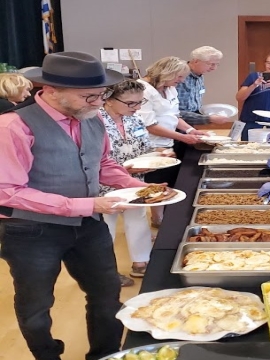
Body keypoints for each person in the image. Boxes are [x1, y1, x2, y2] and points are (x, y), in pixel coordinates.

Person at [0, 51, 145, 360]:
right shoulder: (13, 127)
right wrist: (82, 204)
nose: (98, 103)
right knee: (36, 305)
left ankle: (104, 354)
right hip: (30, 231)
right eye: (88, 97)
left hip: (89, 225)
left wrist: (143, 189)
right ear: (51, 91)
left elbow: (103, 164)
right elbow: (7, 192)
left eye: (101, 95)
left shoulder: (92, 120)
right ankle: (47, 354)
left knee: (106, 295)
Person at [137, 56, 206, 227]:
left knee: (169, 179)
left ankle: (164, 216)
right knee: (156, 180)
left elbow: (174, 116)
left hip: (169, 141)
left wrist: (190, 130)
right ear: (167, 73)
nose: (181, 81)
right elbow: (150, 125)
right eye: (179, 77)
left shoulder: (170, 89)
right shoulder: (143, 90)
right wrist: (182, 137)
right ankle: (157, 218)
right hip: (152, 144)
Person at [99, 79, 156, 286]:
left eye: (140, 102)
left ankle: (141, 262)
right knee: (105, 229)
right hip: (102, 186)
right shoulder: (94, 121)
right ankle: (106, 272)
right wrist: (126, 170)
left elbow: (145, 148)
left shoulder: (135, 120)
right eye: (131, 103)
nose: (137, 107)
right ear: (109, 99)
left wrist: (156, 157)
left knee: (138, 220)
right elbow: (91, 159)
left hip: (134, 182)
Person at [175, 46, 229, 125]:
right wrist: (208, 118)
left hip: (190, 125)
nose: (214, 68)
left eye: (217, 64)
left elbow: (195, 107)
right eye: (211, 64)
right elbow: (175, 112)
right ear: (196, 61)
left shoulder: (200, 77)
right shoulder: (179, 77)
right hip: (175, 126)